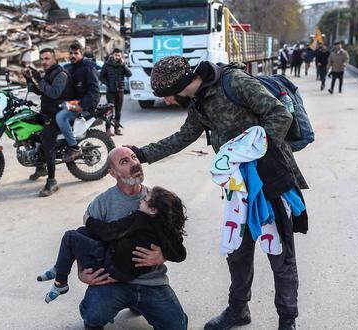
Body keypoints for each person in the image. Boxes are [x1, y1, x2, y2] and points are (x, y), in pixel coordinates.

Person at [126, 56, 308, 330]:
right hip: (238, 187)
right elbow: (183, 136)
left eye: (166, 96)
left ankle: (287, 320)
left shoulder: (234, 82)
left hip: (270, 177)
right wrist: (141, 154)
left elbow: (280, 113)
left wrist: (253, 150)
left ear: (177, 88)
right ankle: (238, 310)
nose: (166, 102)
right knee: (238, 251)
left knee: (279, 253)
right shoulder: (199, 101)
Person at [78, 147, 188, 330]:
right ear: (113, 173)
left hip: (151, 281)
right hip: (112, 280)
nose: (134, 163)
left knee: (177, 326)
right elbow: (83, 240)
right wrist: (82, 273)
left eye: (134, 157)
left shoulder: (155, 200)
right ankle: (106, 308)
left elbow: (176, 242)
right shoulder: (102, 203)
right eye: (124, 162)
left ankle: (139, 303)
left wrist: (162, 256)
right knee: (93, 315)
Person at [37, 185, 187, 303]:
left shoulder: (140, 218)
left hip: (113, 266)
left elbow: (110, 231)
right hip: (127, 267)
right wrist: (164, 254)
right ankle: (60, 266)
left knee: (70, 236)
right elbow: (181, 253)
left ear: (153, 210)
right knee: (82, 233)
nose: (141, 200)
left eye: (145, 199)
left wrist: (89, 220)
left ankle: (60, 281)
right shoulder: (166, 228)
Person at [22, 48, 73, 197]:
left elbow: (53, 93)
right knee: (33, 134)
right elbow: (40, 91)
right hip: (47, 112)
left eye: (46, 59)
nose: (43, 62)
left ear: (54, 59)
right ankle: (41, 166)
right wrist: (29, 79)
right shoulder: (49, 73)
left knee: (46, 141)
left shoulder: (61, 74)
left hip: (58, 114)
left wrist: (39, 78)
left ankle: (52, 181)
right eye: (42, 59)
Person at [56, 42, 100, 162]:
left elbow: (95, 91)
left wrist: (82, 105)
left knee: (61, 117)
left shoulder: (88, 68)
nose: (73, 56)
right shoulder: (68, 68)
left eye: (76, 53)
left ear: (81, 54)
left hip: (84, 103)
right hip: (72, 101)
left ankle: (74, 147)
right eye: (71, 53)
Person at [100, 48, 132, 136]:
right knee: (109, 111)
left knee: (118, 112)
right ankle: (108, 129)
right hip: (110, 92)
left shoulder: (122, 65)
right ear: (112, 55)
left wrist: (123, 65)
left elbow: (129, 74)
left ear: (121, 56)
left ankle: (116, 129)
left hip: (120, 91)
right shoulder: (107, 65)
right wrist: (108, 84)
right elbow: (101, 77)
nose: (117, 57)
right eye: (116, 55)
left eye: (119, 55)